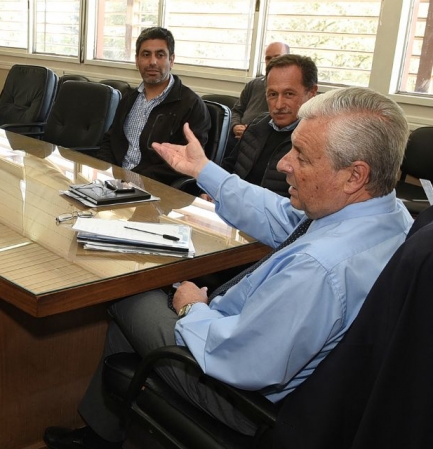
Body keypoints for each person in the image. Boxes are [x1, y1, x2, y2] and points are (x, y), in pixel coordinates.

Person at [43, 86, 412, 449]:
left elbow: (240, 360)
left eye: (301, 156)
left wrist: (192, 308)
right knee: (137, 318)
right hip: (257, 349)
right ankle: (104, 431)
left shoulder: (319, 269)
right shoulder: (388, 217)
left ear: (354, 176)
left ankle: (101, 434)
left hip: (235, 392)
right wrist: (203, 169)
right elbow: (280, 215)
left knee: (126, 291)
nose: (285, 163)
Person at [93, 27, 211, 186]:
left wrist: (135, 182)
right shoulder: (129, 98)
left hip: (155, 191)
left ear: (172, 60)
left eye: (160, 55)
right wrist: (104, 173)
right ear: (137, 60)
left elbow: (185, 162)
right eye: (146, 54)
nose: (152, 62)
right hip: (115, 184)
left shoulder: (191, 105)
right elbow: (110, 141)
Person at [219, 54, 318, 196]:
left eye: (289, 94)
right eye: (272, 94)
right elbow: (229, 166)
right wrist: (214, 188)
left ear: (312, 93)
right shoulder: (257, 125)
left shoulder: (318, 141)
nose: (278, 105)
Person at [230, 42, 291, 141]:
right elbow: (236, 111)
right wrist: (235, 126)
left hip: (263, 141)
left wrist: (251, 133)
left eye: (277, 57)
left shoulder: (291, 90)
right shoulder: (253, 84)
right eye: (268, 58)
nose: (272, 61)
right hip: (238, 138)